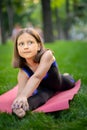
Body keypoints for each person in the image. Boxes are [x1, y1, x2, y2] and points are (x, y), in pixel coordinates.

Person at [11, 27, 75, 118]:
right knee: (40, 98)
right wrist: (18, 103)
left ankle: (66, 75)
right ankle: (21, 110)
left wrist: (24, 95)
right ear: (17, 49)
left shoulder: (47, 55)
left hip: (60, 83)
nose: (25, 47)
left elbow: (37, 77)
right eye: (21, 44)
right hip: (44, 89)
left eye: (30, 42)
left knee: (71, 82)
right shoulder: (23, 71)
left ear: (39, 46)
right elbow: (20, 93)